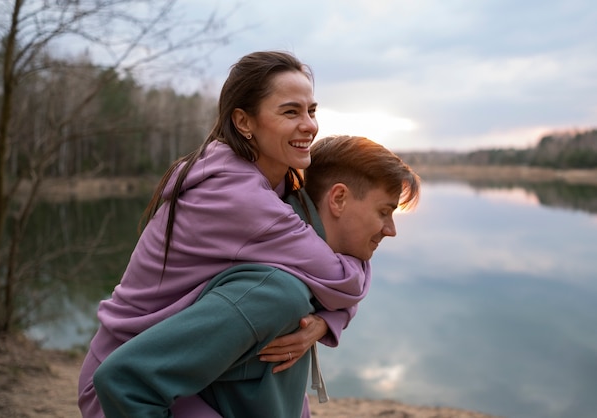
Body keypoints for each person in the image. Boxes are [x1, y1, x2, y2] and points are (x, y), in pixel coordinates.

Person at [78, 51, 370, 418]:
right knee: (286, 293)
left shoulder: (277, 185)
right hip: (132, 381)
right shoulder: (237, 196)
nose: (309, 125)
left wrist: (326, 321)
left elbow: (344, 261)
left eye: (312, 110)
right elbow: (342, 279)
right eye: (290, 112)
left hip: (190, 369)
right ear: (244, 122)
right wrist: (333, 312)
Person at [93, 135, 421, 418]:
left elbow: (352, 277)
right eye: (384, 211)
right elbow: (125, 380)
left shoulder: (312, 264)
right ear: (338, 198)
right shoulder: (274, 290)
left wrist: (326, 319)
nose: (391, 230)